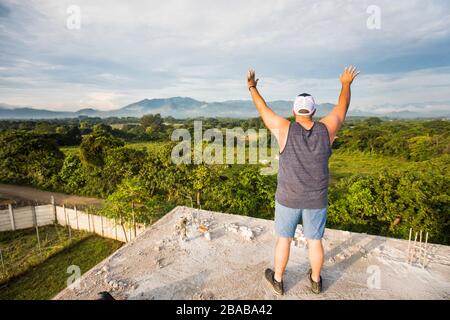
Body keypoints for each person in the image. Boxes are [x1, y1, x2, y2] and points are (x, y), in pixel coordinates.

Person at [247, 66, 360, 295]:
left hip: (288, 198)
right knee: (315, 242)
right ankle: (316, 280)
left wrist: (252, 87)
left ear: (293, 111)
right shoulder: (326, 130)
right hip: (316, 200)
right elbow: (342, 107)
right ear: (314, 111)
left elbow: (263, 108)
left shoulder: (284, 129)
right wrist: (346, 84)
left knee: (284, 240)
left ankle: (278, 280)